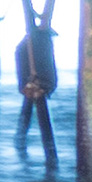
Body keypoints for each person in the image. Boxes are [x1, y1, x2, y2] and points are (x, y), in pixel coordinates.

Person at [15, 21, 60, 161]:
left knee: (21, 136)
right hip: (36, 84)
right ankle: (49, 158)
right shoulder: (32, 45)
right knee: (49, 151)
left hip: (33, 84)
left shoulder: (26, 46)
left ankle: (20, 143)